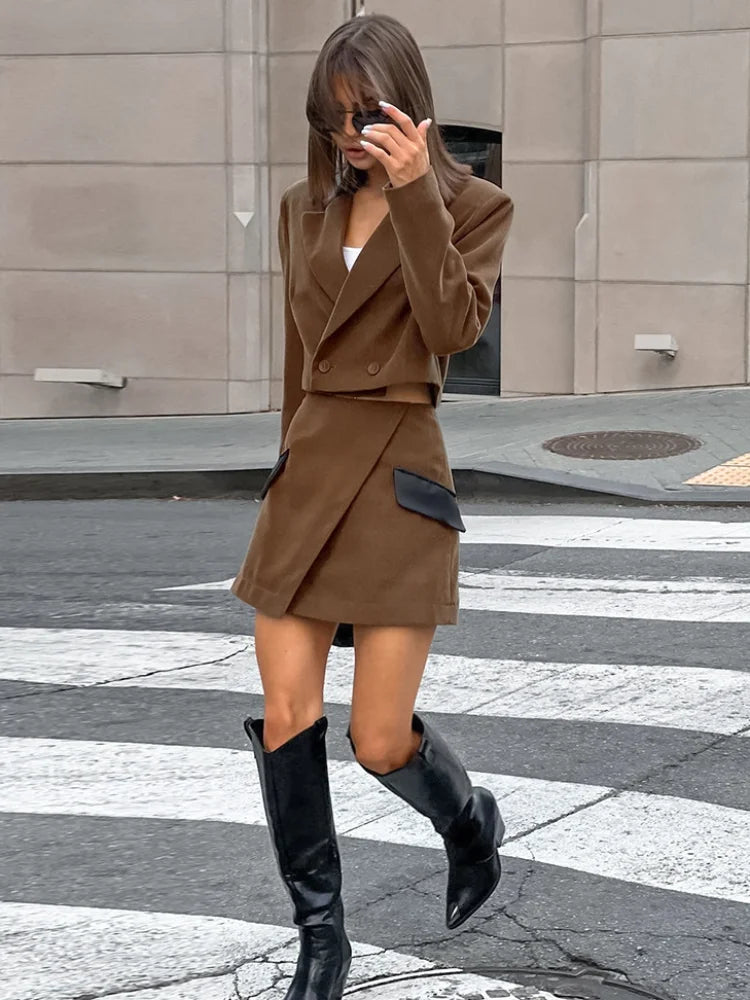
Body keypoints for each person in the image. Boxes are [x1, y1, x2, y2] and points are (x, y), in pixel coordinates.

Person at [230, 12, 514, 1000]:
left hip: (400, 466)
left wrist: (413, 191)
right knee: (284, 714)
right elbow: (298, 363)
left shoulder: (474, 204)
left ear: (409, 105)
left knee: (379, 737)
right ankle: (323, 942)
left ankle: (468, 818)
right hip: (309, 473)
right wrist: (281, 468)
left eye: (368, 114)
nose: (352, 136)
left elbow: (452, 329)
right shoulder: (301, 208)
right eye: (336, 121)